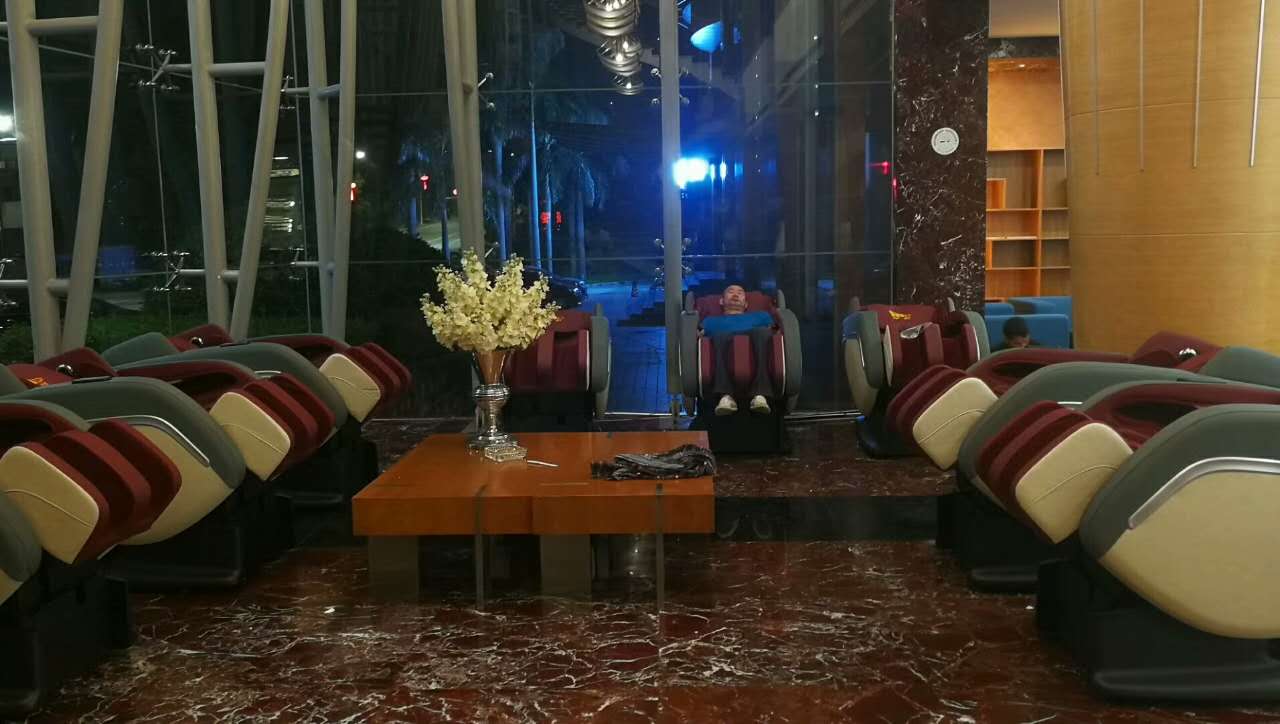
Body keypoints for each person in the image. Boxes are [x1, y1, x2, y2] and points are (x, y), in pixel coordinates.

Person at [700, 284, 776, 415]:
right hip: (722, 339)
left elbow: (775, 331)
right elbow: (698, 335)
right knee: (720, 335)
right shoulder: (710, 321)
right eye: (730, 292)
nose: (735, 295)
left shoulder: (761, 316)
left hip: (755, 338)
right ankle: (726, 396)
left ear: (746, 304)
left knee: (762, 333)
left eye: (740, 293)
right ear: (721, 301)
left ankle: (760, 395)